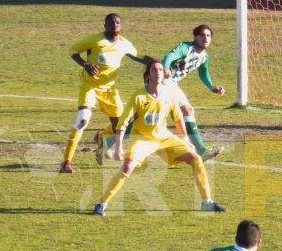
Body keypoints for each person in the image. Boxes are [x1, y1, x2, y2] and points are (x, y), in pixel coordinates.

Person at [93, 61, 226, 215]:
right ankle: (102, 204)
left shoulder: (169, 95)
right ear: (148, 74)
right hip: (142, 138)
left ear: (164, 74)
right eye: (154, 70)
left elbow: (178, 119)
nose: (158, 72)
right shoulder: (138, 97)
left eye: (160, 70)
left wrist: (186, 141)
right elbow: (123, 123)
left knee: (196, 158)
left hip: (163, 137)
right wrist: (118, 149)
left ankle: (207, 203)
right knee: (127, 167)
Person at [60, 13, 154, 173]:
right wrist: (85, 64)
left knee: (121, 126)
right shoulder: (95, 40)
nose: (115, 24)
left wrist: (157, 62)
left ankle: (101, 138)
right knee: (82, 120)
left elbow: (139, 57)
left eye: (118, 22)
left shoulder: (125, 44)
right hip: (89, 86)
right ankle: (66, 162)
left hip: (109, 90)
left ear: (121, 25)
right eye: (111, 22)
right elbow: (72, 50)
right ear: (105, 26)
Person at [158, 24, 225, 161]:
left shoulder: (204, 57)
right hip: (162, 83)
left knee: (187, 110)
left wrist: (212, 87)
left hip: (172, 85)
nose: (205, 38)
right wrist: (165, 68)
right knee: (147, 119)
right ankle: (107, 142)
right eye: (202, 35)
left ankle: (201, 150)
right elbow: (169, 56)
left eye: (208, 35)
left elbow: (203, 74)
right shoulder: (186, 48)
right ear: (195, 37)